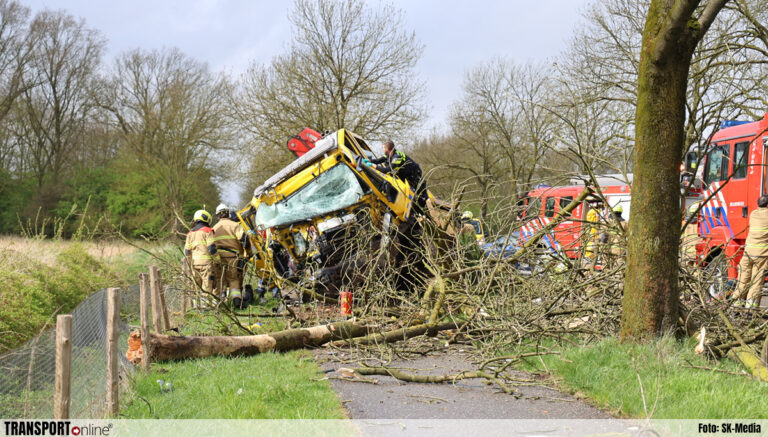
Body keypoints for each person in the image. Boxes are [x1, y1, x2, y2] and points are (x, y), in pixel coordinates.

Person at [366, 140, 428, 214]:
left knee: (420, 195)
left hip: (414, 173)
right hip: (405, 173)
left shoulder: (397, 157)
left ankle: (424, 209)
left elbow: (386, 170)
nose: (382, 150)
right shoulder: (389, 154)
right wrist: (368, 161)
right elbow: (379, 160)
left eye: (383, 148)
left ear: (387, 149)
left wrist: (373, 166)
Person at [734, 195, 768, 309]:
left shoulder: (753, 214)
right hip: (761, 255)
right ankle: (750, 309)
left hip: (748, 253)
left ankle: (736, 305)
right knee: (756, 282)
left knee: (743, 280)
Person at [212, 203, 247, 308]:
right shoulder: (235, 225)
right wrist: (246, 253)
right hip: (232, 256)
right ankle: (236, 301)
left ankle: (217, 304)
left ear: (218, 216)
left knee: (219, 279)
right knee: (233, 279)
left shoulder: (214, 228)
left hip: (218, 257)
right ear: (228, 213)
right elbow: (244, 239)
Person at [184, 209, 219, 300]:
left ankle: (196, 307)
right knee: (207, 285)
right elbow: (212, 248)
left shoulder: (190, 233)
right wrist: (218, 260)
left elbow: (187, 251)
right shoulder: (208, 231)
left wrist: (189, 265)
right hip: (206, 264)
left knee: (196, 286)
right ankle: (206, 307)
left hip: (194, 264)